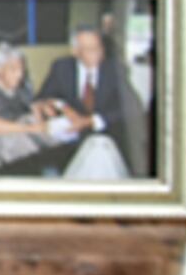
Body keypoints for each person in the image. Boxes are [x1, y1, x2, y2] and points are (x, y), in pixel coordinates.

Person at [41, 23, 141, 180]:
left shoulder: (114, 69)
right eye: (89, 49)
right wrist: (60, 106)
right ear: (75, 51)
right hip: (69, 140)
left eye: (98, 47)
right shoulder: (61, 67)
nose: (96, 53)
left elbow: (132, 106)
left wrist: (90, 121)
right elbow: (44, 96)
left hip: (105, 137)